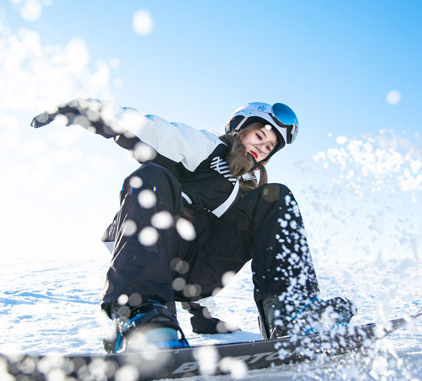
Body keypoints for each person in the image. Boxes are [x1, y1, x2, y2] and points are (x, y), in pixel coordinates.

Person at [31, 99, 356, 353]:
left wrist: (204, 317)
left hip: (194, 272)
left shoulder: (246, 190)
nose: (261, 147)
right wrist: (86, 111)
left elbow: (212, 247)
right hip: (149, 254)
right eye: (259, 135)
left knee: (275, 195)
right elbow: (150, 129)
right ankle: (139, 316)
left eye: (269, 146)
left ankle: (289, 312)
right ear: (239, 129)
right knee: (153, 177)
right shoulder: (204, 148)